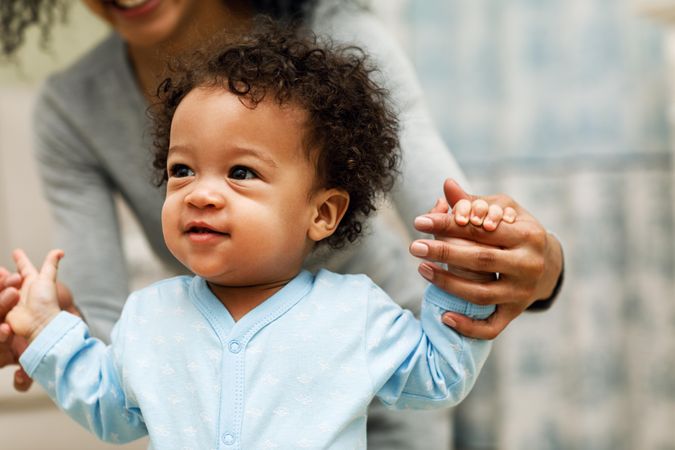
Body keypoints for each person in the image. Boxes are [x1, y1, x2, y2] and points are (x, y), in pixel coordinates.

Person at [0, 1, 564, 449]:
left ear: (323, 212)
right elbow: (110, 400)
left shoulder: (357, 314)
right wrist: (45, 330)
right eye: (180, 170)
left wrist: (477, 258)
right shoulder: (150, 317)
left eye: (241, 171)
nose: (201, 193)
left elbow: (441, 366)